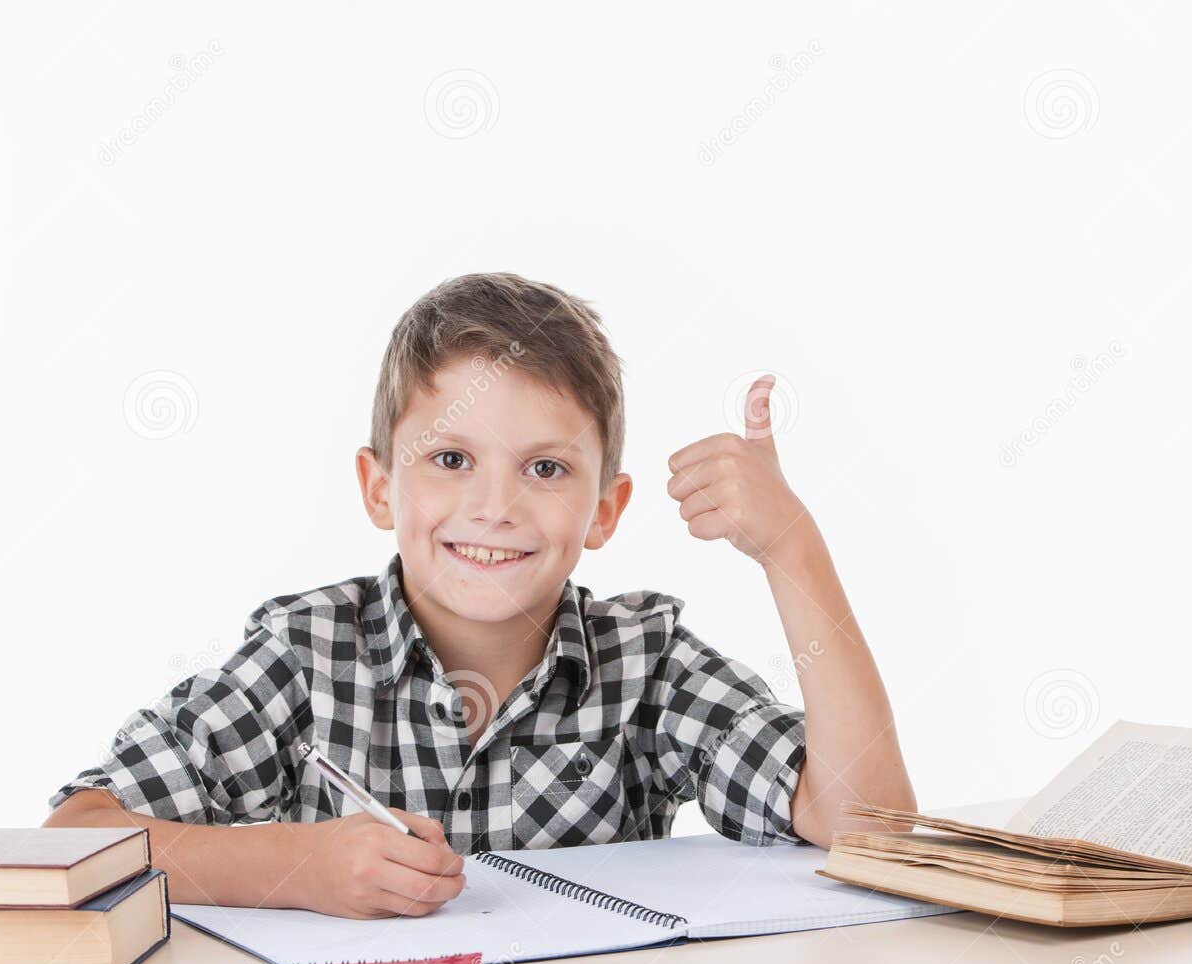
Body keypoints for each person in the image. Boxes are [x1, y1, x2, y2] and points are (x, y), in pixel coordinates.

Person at [45, 272, 916, 918]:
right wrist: (298, 866)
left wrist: (790, 546)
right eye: (451, 458)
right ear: (380, 487)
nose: (495, 506)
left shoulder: (643, 666)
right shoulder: (307, 654)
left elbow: (870, 828)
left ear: (605, 509)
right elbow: (77, 837)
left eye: (546, 468)